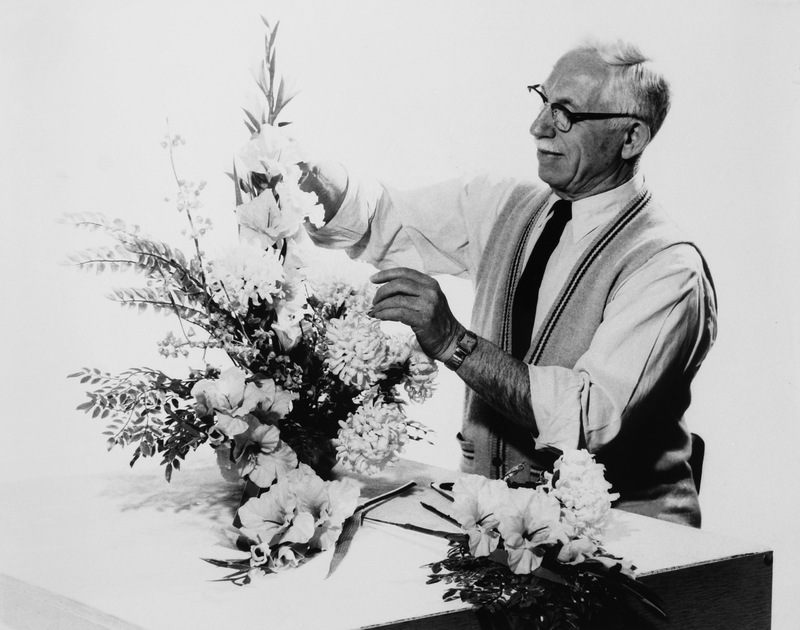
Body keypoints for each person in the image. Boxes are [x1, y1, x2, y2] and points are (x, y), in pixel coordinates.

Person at [300, 40, 717, 527]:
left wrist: (455, 344)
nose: (538, 127)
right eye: (543, 101)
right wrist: (310, 181)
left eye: (565, 113)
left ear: (631, 138)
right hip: (500, 531)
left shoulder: (667, 268)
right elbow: (383, 221)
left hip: (630, 548)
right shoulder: (508, 206)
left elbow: (585, 420)